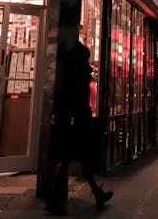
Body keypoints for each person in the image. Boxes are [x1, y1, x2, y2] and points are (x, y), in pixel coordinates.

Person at [46, 41, 113, 215]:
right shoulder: (81, 74)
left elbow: (63, 97)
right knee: (74, 158)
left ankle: (95, 193)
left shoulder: (67, 73)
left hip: (69, 120)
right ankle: (54, 199)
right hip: (78, 121)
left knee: (73, 159)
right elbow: (80, 99)